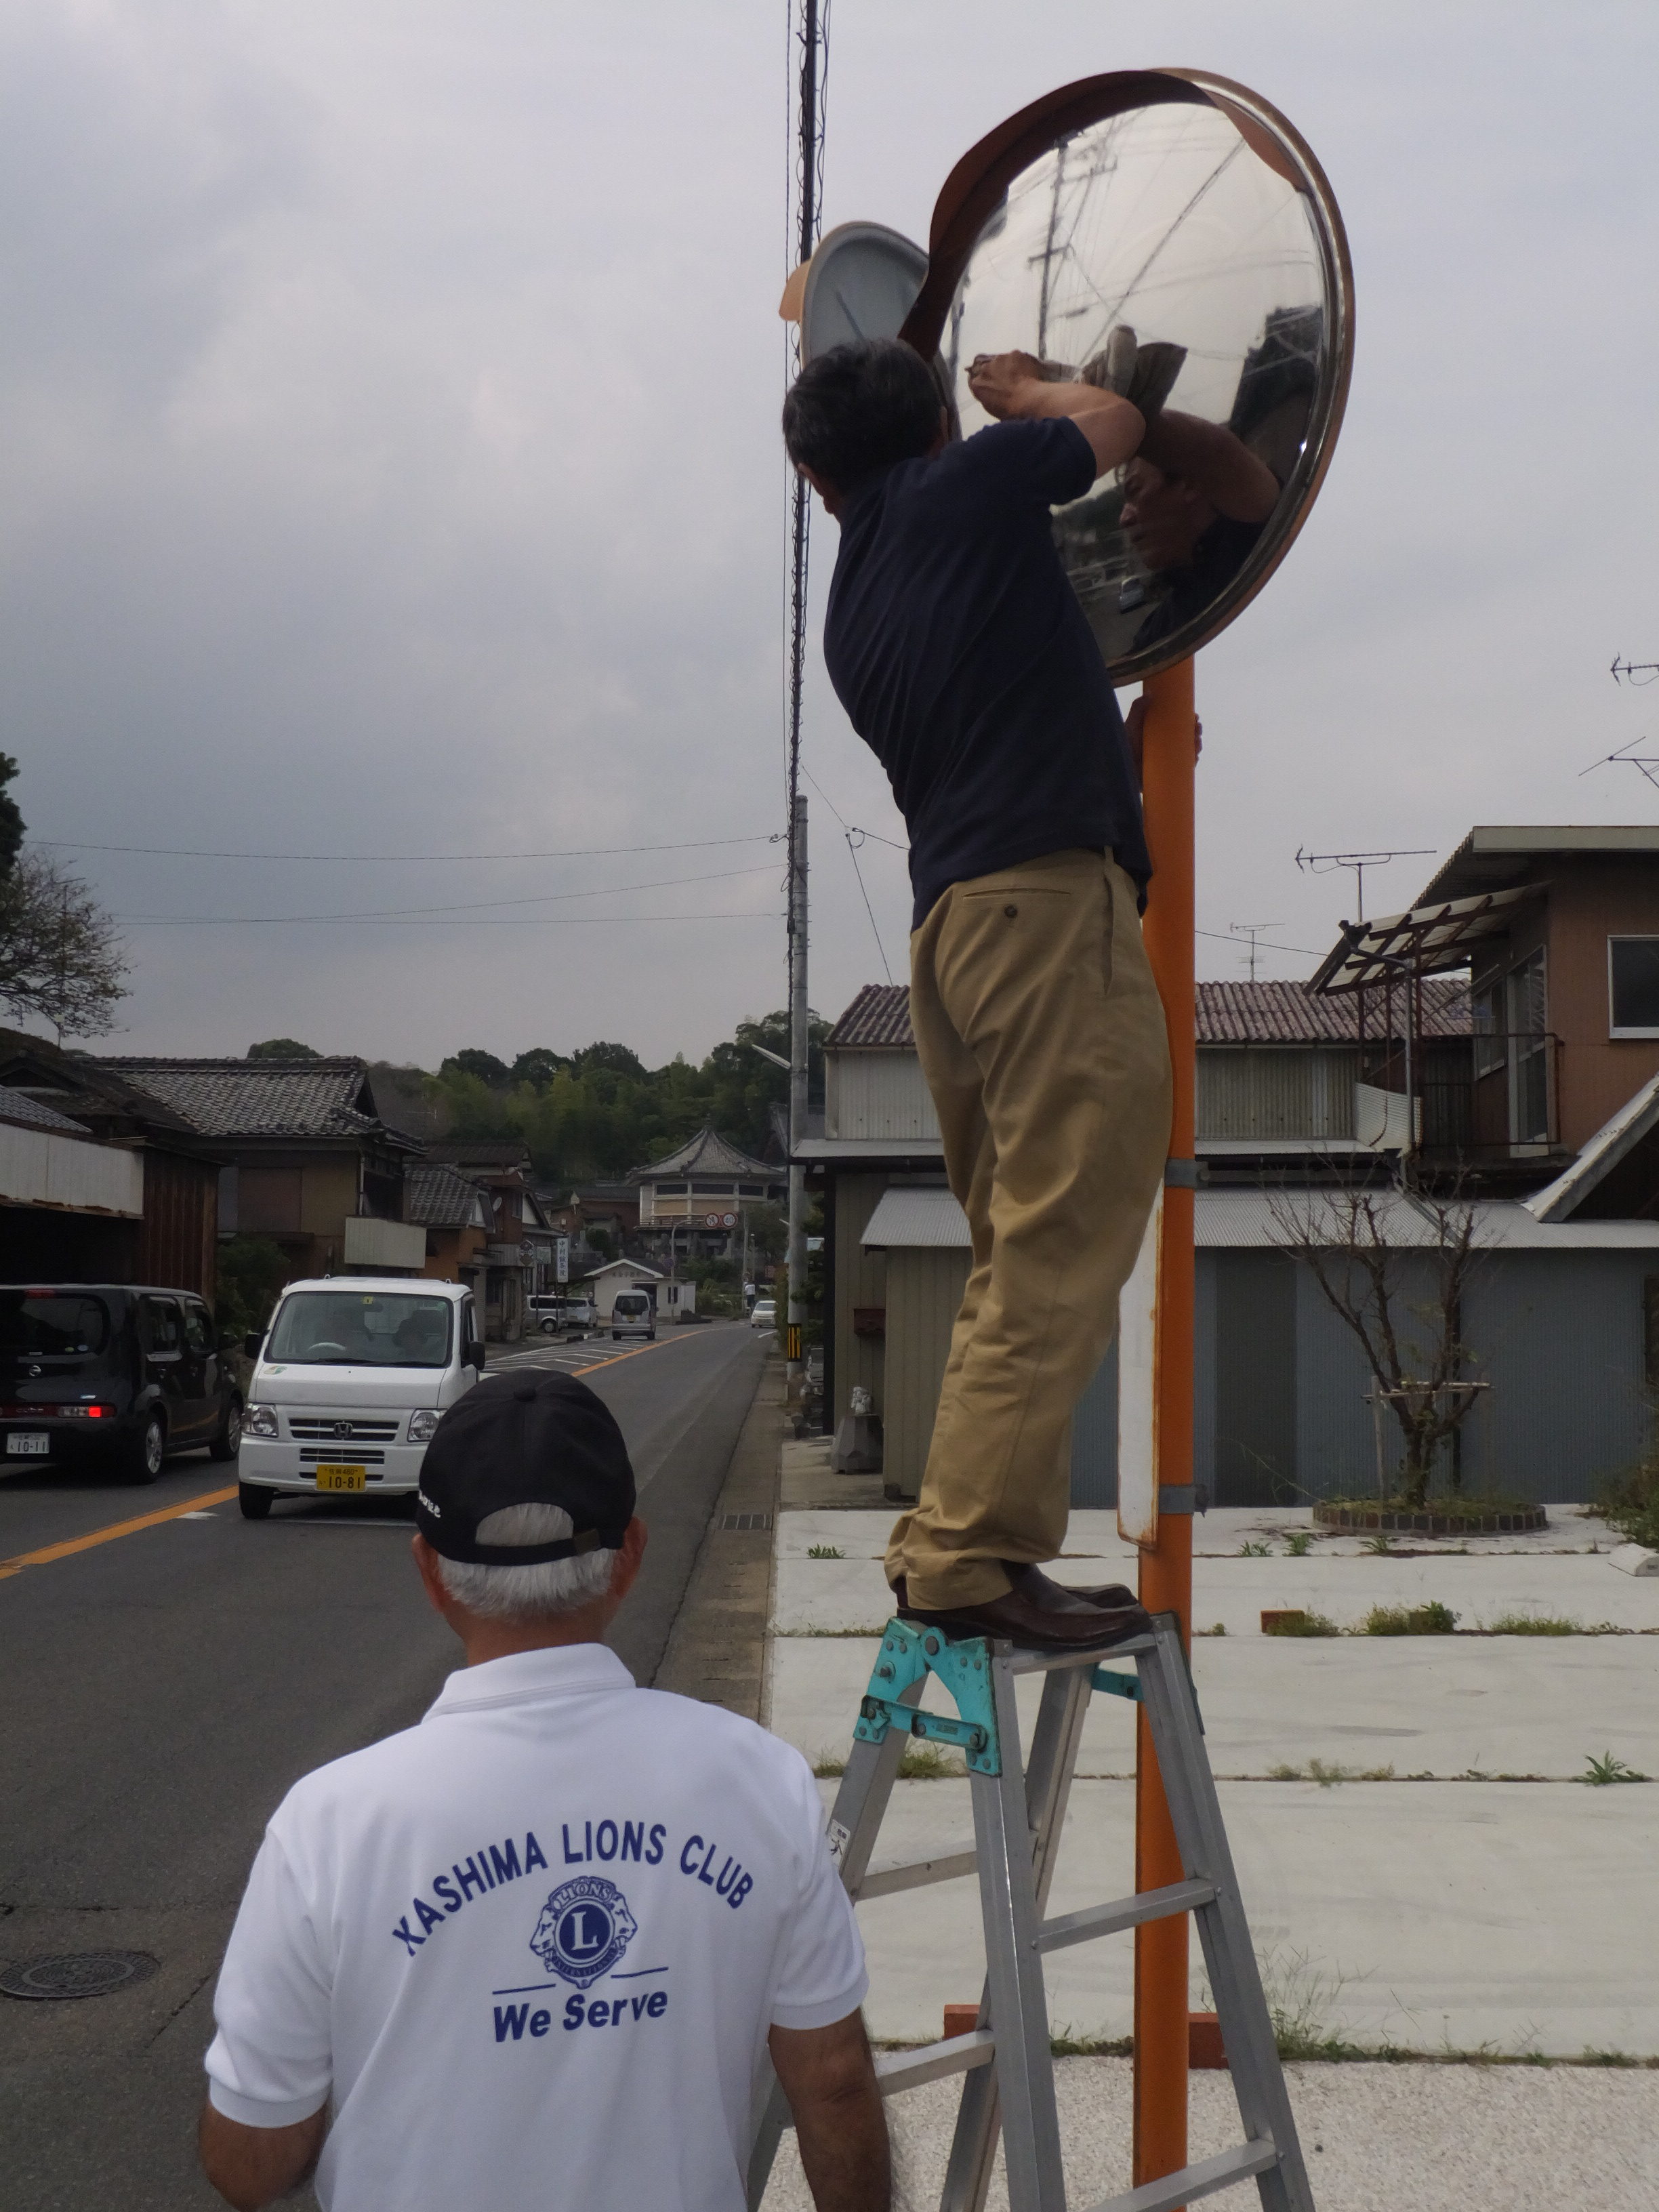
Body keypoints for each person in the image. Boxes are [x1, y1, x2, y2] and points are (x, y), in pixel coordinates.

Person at [199, 1372, 889, 2212]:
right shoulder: (760, 1781)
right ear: (630, 1557)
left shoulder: (329, 1825)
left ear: (430, 1572)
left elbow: (250, 2163)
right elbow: (834, 2081)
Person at [782, 337, 1172, 1652]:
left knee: (1019, 1249)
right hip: (1040, 912)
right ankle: (964, 1555)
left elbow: (1007, 695)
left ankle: (959, 1541)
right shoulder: (963, 486)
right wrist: (1032, 396)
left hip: (954, 932)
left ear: (815, 478)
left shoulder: (853, 606)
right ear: (942, 427)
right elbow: (1114, 421)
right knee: (1061, 1235)